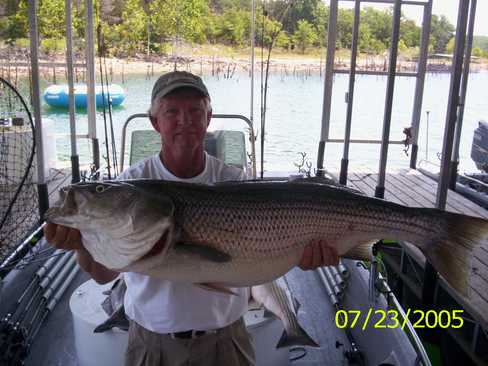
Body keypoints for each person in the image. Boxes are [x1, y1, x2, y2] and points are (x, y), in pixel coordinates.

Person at [44, 71, 339, 366]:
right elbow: (103, 274)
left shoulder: (232, 180)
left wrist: (303, 252)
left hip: (227, 342)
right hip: (152, 344)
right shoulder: (132, 182)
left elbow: (267, 253)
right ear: (155, 122)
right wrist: (81, 244)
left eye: (195, 111)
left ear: (208, 119)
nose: (184, 120)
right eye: (171, 111)